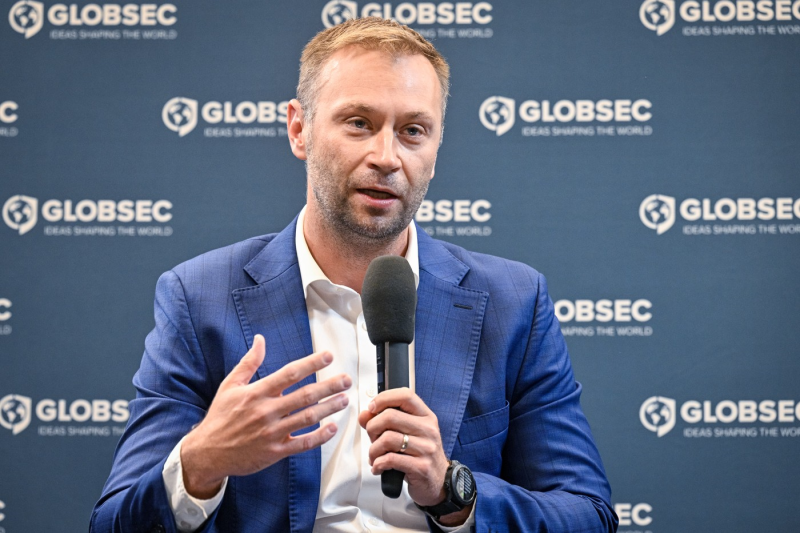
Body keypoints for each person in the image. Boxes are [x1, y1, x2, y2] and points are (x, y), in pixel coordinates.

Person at [91, 17, 616, 533]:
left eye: (413, 131)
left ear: (436, 150)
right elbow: (114, 523)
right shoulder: (199, 298)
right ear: (299, 129)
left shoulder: (513, 302)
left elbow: (588, 514)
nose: (386, 157)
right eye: (359, 123)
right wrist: (202, 461)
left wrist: (452, 491)